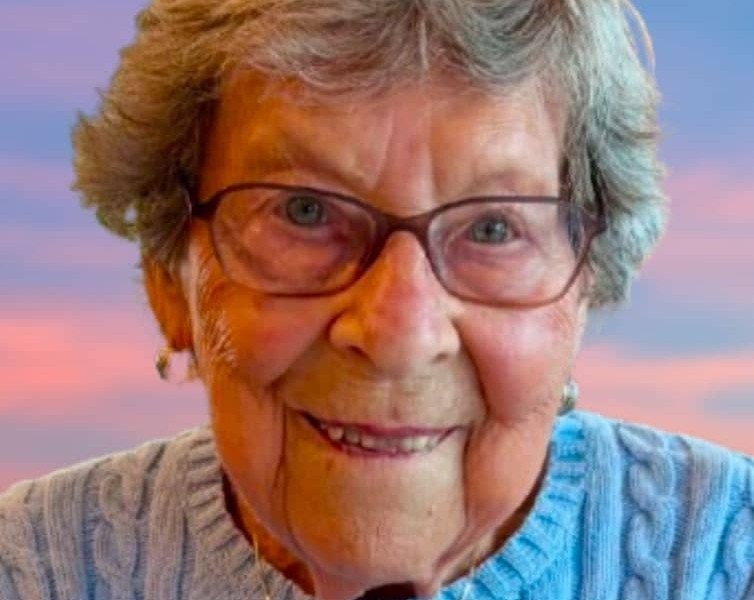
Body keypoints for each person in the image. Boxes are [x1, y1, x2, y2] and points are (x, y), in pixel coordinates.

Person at [1, 1, 753, 599]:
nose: (400, 334)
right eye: (304, 212)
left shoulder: (730, 556)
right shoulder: (35, 570)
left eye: (492, 228)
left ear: (585, 284)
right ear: (170, 275)